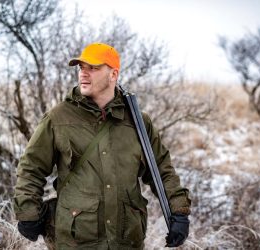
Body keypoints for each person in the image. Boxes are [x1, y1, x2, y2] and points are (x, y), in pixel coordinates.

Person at [13, 42, 191, 249]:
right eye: (81, 68)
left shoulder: (137, 121)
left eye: (93, 68)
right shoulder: (58, 118)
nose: (83, 74)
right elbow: (31, 167)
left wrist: (179, 212)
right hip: (76, 239)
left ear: (113, 75)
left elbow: (161, 168)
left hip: (127, 238)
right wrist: (28, 212)